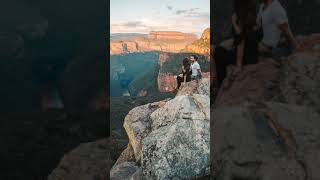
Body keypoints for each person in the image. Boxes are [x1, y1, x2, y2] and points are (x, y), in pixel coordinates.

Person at [214, 0, 260, 87]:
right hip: (254, 55)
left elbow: (240, 41)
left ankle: (221, 83)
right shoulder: (252, 10)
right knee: (221, 49)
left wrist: (238, 65)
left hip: (246, 57)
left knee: (218, 53)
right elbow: (251, 34)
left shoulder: (240, 15)